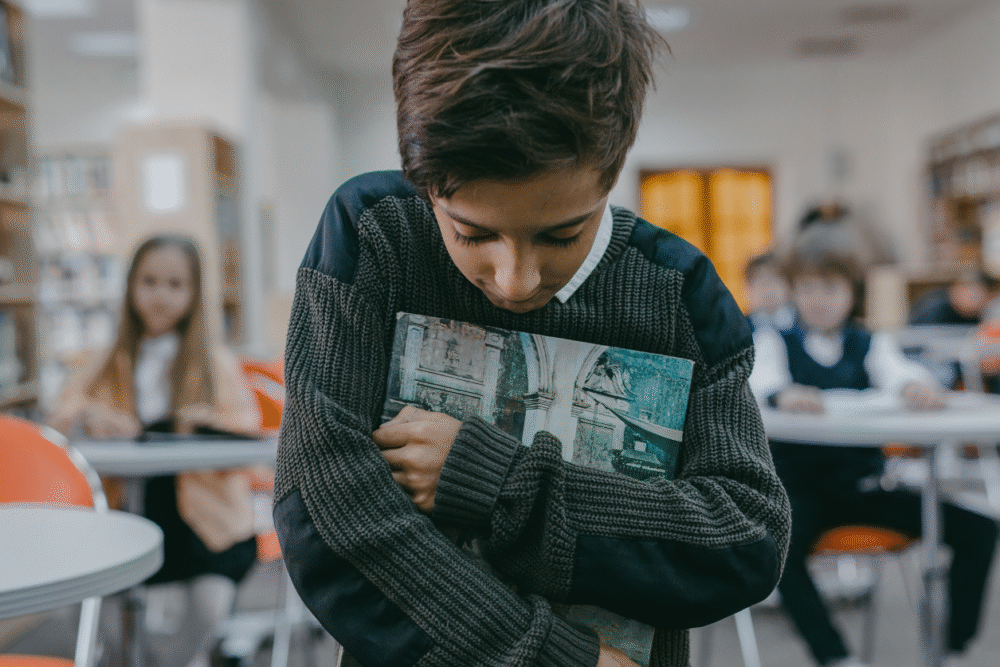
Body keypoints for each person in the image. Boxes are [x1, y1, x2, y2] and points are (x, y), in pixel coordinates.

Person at [272, 2, 791, 667]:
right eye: (472, 233)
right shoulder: (376, 236)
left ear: (612, 168)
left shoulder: (679, 295)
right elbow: (325, 514)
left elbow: (745, 539)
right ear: (425, 183)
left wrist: (497, 484)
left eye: (561, 234)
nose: (515, 280)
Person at [749, 225, 999, 667]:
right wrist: (782, 394)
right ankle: (834, 656)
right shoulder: (774, 341)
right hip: (800, 493)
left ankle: (952, 648)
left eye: (830, 288)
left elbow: (900, 372)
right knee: (774, 551)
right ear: (793, 291)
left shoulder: (869, 342)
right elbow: (761, 381)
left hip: (865, 487)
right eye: (807, 288)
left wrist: (915, 387)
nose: (818, 299)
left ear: (852, 291)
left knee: (979, 528)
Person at [48, 234, 262, 667]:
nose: (160, 295)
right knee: (77, 606)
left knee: (210, 609)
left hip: (202, 521)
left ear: (194, 292)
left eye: (175, 284)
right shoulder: (104, 362)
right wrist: (89, 417)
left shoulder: (214, 364)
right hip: (124, 512)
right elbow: (60, 419)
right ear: (130, 286)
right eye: (148, 281)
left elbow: (244, 431)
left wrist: (195, 424)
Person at [745, 251, 795, 332]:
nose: (767, 291)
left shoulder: (802, 323)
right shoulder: (742, 328)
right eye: (761, 285)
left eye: (772, 282)